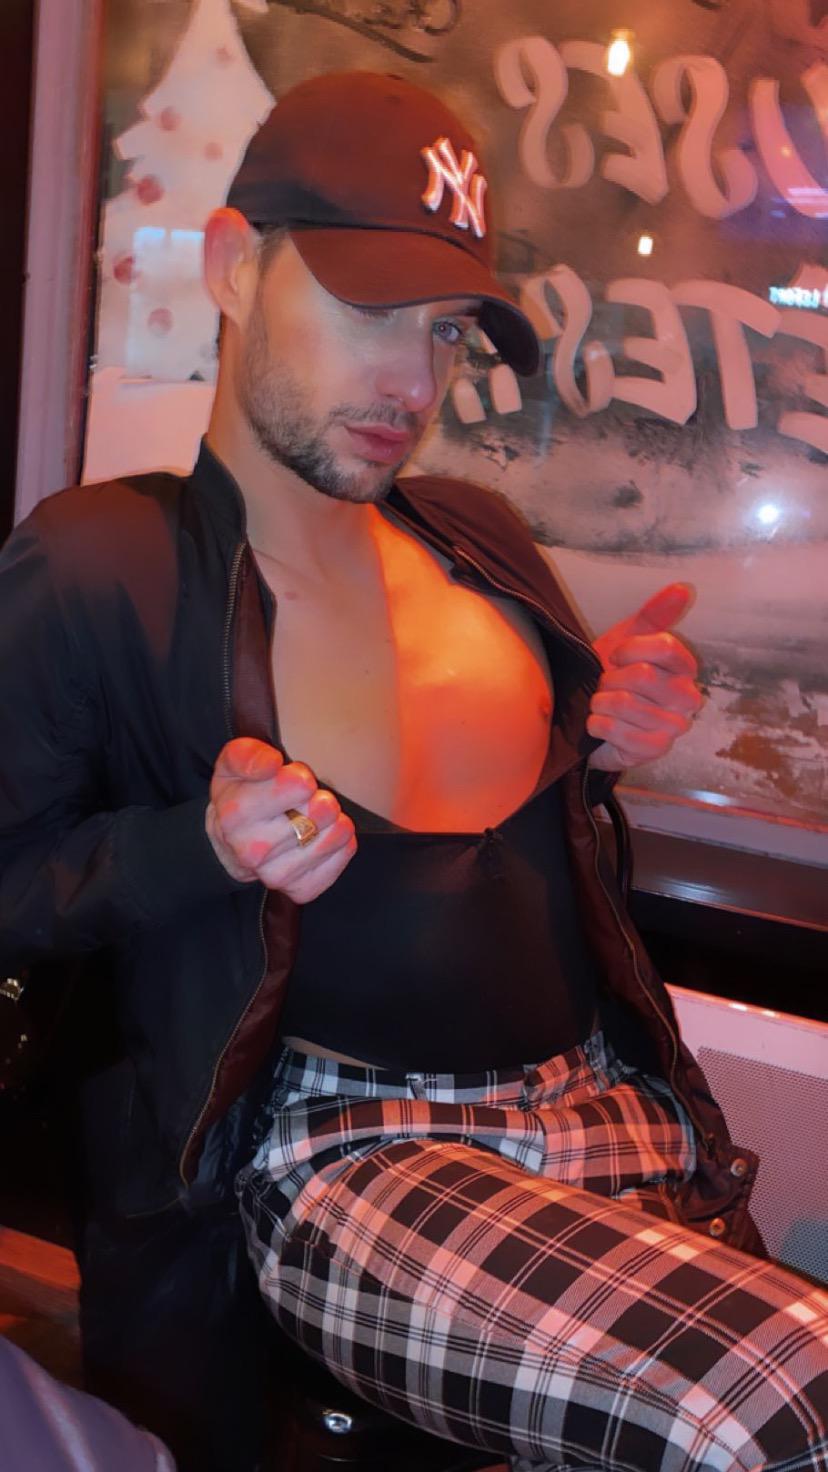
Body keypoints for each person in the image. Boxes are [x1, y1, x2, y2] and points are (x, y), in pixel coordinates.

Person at [0, 68, 824, 1472]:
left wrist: (602, 743)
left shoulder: (476, 536)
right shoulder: (106, 565)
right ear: (233, 266)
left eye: (443, 330)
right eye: (369, 310)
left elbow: (530, 843)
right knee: (781, 1408)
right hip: (345, 1150)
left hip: (603, 1101)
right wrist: (198, 846)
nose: (413, 382)